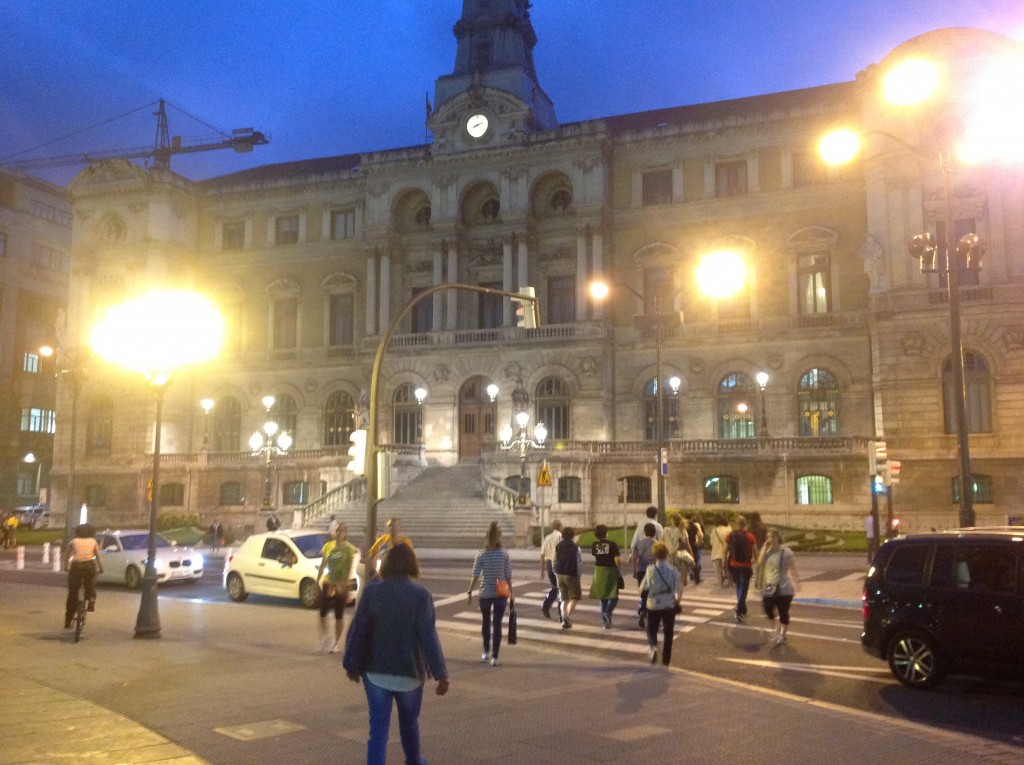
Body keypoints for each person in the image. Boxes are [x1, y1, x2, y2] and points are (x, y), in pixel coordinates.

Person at [343, 542, 449, 765]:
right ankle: (413, 760)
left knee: (378, 733)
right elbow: (428, 636)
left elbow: (359, 629)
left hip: (375, 672)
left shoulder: (373, 592)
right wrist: (441, 674)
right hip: (409, 673)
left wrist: (352, 664)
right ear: (412, 564)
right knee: (410, 725)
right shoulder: (421, 595)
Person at [467, 521, 513, 666]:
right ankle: (495, 657)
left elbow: (475, 574)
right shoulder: (504, 554)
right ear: (499, 537)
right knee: (497, 624)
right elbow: (508, 575)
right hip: (501, 592)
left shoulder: (481, 554)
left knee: (486, 622)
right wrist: (512, 593)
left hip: (485, 592)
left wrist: (469, 591)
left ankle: (485, 651)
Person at [317, 522, 359, 653]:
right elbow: (323, 564)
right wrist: (317, 579)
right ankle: (325, 637)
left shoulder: (349, 549)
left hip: (341, 584)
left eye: (341, 531)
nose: (339, 533)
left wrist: (346, 586)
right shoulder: (328, 546)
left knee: (339, 615)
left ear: (345, 533)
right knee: (322, 612)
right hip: (329, 582)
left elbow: (350, 568)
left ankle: (336, 642)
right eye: (337, 531)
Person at [756, 528, 800, 645]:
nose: (770, 539)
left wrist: (797, 582)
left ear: (777, 537)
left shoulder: (786, 552)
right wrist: (764, 548)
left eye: (772, 536)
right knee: (767, 609)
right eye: (768, 537)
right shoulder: (767, 552)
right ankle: (776, 629)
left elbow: (793, 569)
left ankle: (783, 635)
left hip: (784, 588)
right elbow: (759, 563)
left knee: (783, 613)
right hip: (770, 587)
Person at [642, 541, 682, 665]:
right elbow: (677, 590)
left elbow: (643, 587)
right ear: (667, 554)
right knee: (668, 632)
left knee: (651, 629)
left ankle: (653, 647)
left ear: (655, 554)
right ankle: (666, 660)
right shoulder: (673, 570)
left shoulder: (650, 570)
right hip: (669, 604)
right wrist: (676, 602)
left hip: (653, 604)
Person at [64, 523, 105, 628]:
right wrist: (101, 568)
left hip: (76, 566)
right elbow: (98, 557)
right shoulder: (93, 541)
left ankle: (68, 621)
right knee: (90, 584)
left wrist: (66, 567)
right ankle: (91, 600)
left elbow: (67, 557)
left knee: (72, 593)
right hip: (89, 566)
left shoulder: (73, 542)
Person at [726, 516, 759, 623]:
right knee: (743, 589)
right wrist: (754, 561)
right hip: (745, 566)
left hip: (733, 565)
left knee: (739, 587)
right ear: (746, 525)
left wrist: (724, 564)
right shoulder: (750, 537)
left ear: (736, 524)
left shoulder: (730, 536)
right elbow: (756, 554)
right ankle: (739, 610)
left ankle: (743, 608)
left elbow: (724, 550)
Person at [588, 524, 621, 629]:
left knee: (603, 598)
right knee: (613, 596)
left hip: (599, 571)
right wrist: (618, 570)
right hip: (610, 570)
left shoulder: (594, 545)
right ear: (606, 533)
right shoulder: (612, 544)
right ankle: (608, 612)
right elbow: (618, 559)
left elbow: (595, 555)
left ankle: (606, 622)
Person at [553, 526, 582, 629]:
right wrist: (579, 577)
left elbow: (554, 560)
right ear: (573, 535)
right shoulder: (576, 548)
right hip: (571, 574)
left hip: (559, 574)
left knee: (564, 599)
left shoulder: (558, 546)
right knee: (575, 597)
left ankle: (563, 619)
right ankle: (566, 617)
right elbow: (579, 564)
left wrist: (555, 572)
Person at [632, 523, 657, 629]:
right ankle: (652, 617)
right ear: (654, 532)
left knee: (643, 594)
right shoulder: (657, 544)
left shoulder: (638, 544)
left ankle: (642, 611)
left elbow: (634, 558)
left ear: (645, 532)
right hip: (653, 571)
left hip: (641, 570)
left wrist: (634, 571)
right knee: (652, 594)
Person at [539, 519, 563, 621]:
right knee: (561, 590)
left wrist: (542, 570)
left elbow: (542, 555)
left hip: (549, 564)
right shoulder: (560, 537)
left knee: (555, 587)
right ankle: (561, 614)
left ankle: (546, 605)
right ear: (560, 526)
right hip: (557, 564)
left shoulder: (547, 537)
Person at [710, 516, 731, 587]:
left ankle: (720, 584)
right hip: (726, 553)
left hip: (716, 553)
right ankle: (730, 583)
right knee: (728, 569)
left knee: (718, 571)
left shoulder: (714, 530)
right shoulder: (729, 530)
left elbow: (711, 542)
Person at [686, 514, 705, 584]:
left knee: (688, 562)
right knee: (695, 561)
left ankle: (690, 576)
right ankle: (697, 579)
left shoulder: (685, 527)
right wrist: (698, 543)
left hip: (686, 546)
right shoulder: (694, 526)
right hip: (694, 545)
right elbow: (700, 535)